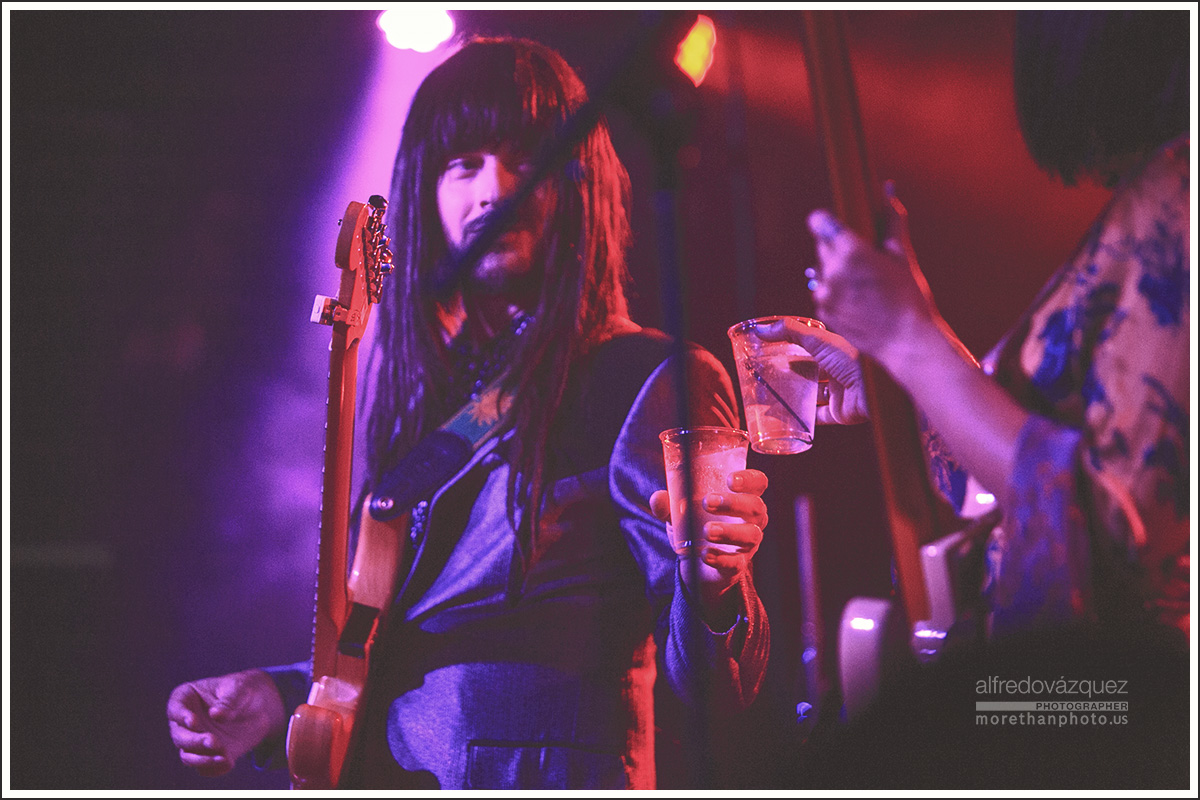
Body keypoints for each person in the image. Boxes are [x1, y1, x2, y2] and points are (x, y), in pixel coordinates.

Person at [166, 37, 770, 789]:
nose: (492, 190)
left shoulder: (643, 378)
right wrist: (281, 694)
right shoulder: (430, 395)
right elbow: (406, 644)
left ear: (577, 181)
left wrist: (713, 587)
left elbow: (715, 688)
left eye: (523, 159)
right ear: (424, 192)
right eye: (463, 164)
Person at [760, 10, 1189, 787]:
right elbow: (1020, 469)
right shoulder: (1159, 190)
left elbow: (1109, 529)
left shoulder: (1182, 194)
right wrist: (899, 378)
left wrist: (911, 342)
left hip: (1122, 721)